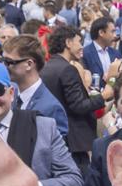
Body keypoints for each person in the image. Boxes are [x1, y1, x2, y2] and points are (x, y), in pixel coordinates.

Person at [40, 25, 105, 172]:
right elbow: (78, 105)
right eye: (79, 42)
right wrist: (105, 95)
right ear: (68, 43)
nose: (82, 47)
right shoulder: (67, 69)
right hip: (72, 142)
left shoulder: (48, 67)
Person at [2, 35, 69, 136]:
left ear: (29, 64)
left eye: (9, 62)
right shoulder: (10, 95)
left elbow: (56, 149)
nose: (4, 66)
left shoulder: (51, 108)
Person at [80, 16, 121, 87]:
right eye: (112, 31)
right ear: (101, 33)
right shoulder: (85, 54)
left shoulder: (116, 53)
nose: (115, 35)